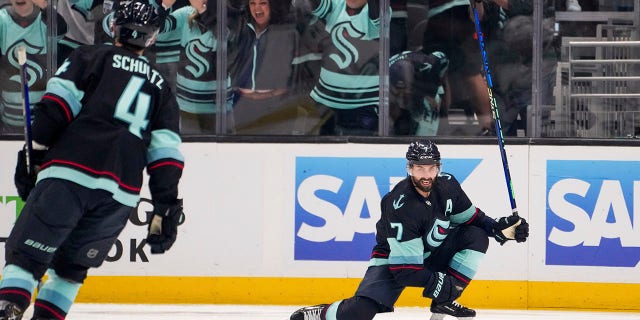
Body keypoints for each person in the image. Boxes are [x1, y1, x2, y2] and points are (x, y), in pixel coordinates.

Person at [0, 1, 185, 319]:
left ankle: (8, 310)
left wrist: (33, 154)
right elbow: (166, 156)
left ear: (114, 27)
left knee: (26, 257)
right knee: (71, 270)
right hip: (120, 196)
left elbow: (57, 106)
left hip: (71, 174)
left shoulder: (90, 56)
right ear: (152, 38)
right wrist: (165, 206)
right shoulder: (162, 89)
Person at [290, 139, 529, 320]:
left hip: (431, 250)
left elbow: (472, 219)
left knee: (476, 237)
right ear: (409, 168)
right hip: (394, 259)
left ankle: (442, 303)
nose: (426, 175)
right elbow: (405, 270)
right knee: (361, 311)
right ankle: (321, 313)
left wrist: (499, 228)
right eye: (419, 168)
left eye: (431, 168)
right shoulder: (400, 204)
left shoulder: (448, 185)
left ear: (439, 167)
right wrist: (442, 285)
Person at [155, 0, 236, 134]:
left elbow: (224, 38)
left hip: (219, 107)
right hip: (187, 105)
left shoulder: (227, 15)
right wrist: (165, 6)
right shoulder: (186, 14)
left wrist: (203, 10)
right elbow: (156, 30)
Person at [306, 0, 385, 136]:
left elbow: (377, 15)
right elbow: (316, 4)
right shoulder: (336, 4)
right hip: (328, 100)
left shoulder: (378, 10)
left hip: (364, 103)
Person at [229, 0, 301, 134]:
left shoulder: (286, 31)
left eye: (263, 3)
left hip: (277, 107)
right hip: (243, 105)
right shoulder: (240, 28)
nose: (257, 8)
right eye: (252, 3)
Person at [0, 0, 67, 134]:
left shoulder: (45, 20)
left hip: (41, 115)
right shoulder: (3, 19)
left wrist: (44, 7)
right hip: (9, 118)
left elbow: (61, 30)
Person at [389, 50, 449, 136]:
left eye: (405, 94)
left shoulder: (427, 64)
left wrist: (430, 94)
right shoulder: (383, 75)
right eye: (398, 92)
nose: (401, 96)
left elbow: (442, 57)